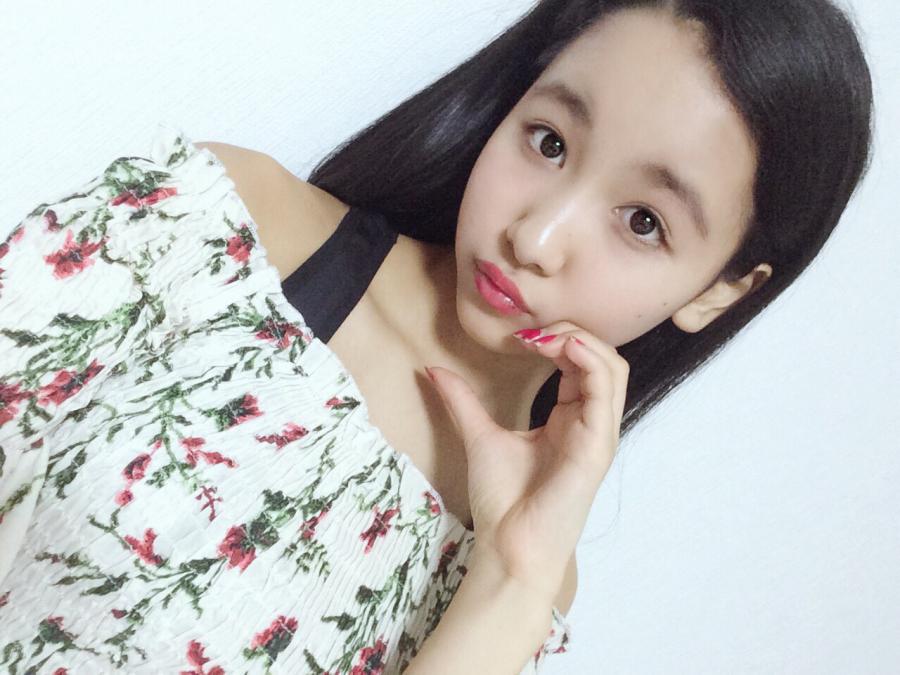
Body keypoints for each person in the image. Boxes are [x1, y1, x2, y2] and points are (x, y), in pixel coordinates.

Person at [0, 0, 873, 672]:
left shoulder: (523, 566)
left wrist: (516, 576)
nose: (535, 237)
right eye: (549, 140)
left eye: (643, 221)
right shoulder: (230, 234)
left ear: (719, 290)